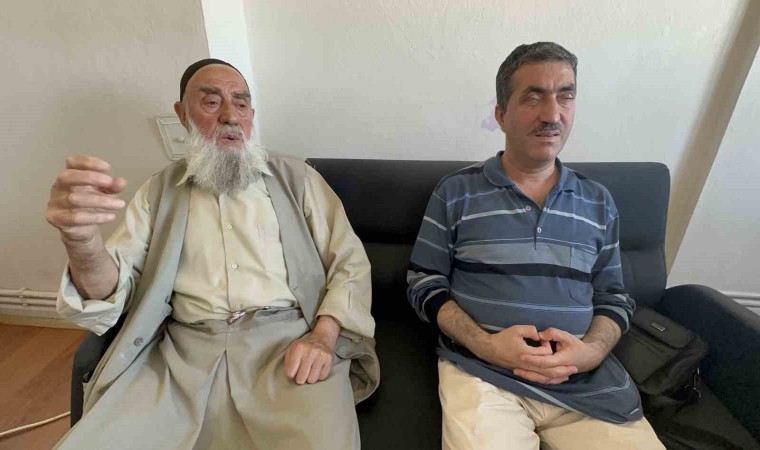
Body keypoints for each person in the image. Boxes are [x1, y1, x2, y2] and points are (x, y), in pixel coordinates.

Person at [46, 58, 378, 450]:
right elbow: (111, 293)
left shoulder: (298, 180)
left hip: (290, 345)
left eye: (241, 103)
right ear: (182, 114)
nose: (230, 116)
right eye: (211, 102)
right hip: (181, 355)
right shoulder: (157, 193)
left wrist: (323, 337)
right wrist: (83, 244)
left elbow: (350, 266)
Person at [407, 42, 664, 449]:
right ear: (501, 114)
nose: (552, 115)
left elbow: (614, 296)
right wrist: (485, 345)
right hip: (483, 374)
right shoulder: (456, 192)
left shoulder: (598, 202)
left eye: (566, 96)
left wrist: (591, 352)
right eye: (533, 97)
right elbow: (424, 283)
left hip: (585, 385)